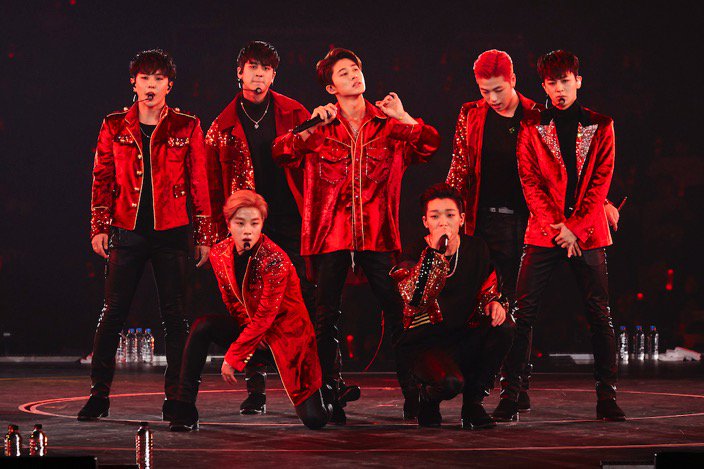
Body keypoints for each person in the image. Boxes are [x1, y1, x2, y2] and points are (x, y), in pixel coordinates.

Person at [273, 48, 441, 423]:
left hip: (377, 234)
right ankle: (330, 394)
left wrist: (404, 116)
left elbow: (429, 144)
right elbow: (281, 152)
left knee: (399, 311)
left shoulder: (387, 124)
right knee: (325, 317)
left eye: (355, 69)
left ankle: (414, 391)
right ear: (331, 87)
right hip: (329, 236)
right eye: (344, 73)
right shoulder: (320, 127)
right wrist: (309, 126)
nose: (353, 76)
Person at [79, 49, 213, 421]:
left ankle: (179, 400)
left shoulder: (187, 125)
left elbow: (200, 182)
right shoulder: (114, 125)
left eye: (158, 78)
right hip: (126, 230)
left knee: (176, 317)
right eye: (144, 78)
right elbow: (102, 177)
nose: (151, 85)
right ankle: (98, 395)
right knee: (112, 313)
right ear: (133, 83)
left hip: (172, 231)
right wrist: (99, 226)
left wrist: (204, 234)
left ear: (169, 85)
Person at [504, 50, 625, 421]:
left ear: (578, 81)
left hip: (587, 232)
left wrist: (575, 227)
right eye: (552, 83)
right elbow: (530, 181)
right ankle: (513, 393)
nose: (559, 89)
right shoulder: (531, 125)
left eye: (565, 81)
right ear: (543, 86)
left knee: (599, 314)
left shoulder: (601, 124)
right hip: (545, 232)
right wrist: (559, 227)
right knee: (522, 313)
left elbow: (600, 182)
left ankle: (606, 395)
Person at [205, 40, 313, 415]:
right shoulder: (222, 125)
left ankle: (315, 385)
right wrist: (212, 236)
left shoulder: (294, 112)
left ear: (273, 76)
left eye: (265, 69)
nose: (258, 75)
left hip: (291, 219)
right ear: (239, 73)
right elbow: (211, 184)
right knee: (248, 305)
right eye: (252, 67)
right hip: (246, 227)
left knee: (301, 303)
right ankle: (256, 389)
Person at [168, 190, 328, 431]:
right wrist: (248, 336)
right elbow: (233, 303)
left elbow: (266, 316)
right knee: (203, 327)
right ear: (228, 224)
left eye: (254, 223)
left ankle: (332, 397)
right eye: (240, 223)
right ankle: (184, 408)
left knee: (316, 419)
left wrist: (234, 357)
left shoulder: (275, 259)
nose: (247, 231)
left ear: (262, 224)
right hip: (255, 334)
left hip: (287, 341)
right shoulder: (219, 254)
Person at [446, 49, 542, 418]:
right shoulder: (470, 113)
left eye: (498, 90)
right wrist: (448, 217)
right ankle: (492, 387)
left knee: (517, 307)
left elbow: (558, 170)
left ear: (513, 80)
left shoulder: (536, 116)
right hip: (480, 223)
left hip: (524, 224)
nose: (492, 98)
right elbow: (459, 168)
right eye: (485, 91)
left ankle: (514, 390)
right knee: (485, 305)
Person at [391, 183, 514, 429]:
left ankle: (473, 405)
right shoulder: (414, 252)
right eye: (435, 217)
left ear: (461, 219)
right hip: (425, 344)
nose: (443, 223)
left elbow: (490, 288)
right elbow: (415, 298)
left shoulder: (476, 248)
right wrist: (435, 254)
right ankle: (428, 399)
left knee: (504, 326)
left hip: (463, 337)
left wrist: (495, 303)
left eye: (450, 215)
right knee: (449, 384)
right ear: (425, 221)